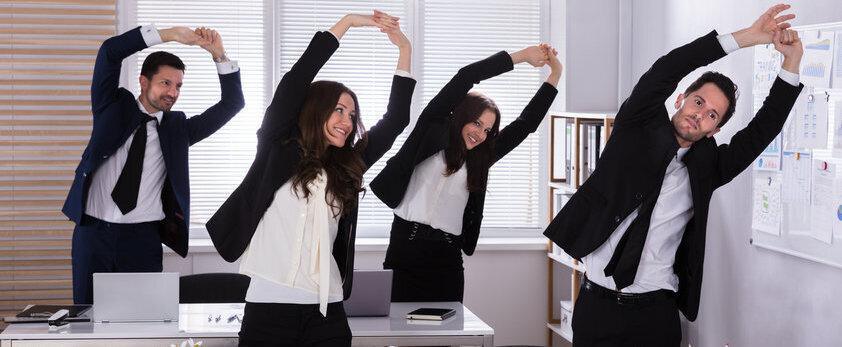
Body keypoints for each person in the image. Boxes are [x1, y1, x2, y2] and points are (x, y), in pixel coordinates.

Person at [543, 4, 804, 346]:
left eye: (712, 115)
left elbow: (762, 129)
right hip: (597, 307)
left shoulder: (708, 169)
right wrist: (745, 39)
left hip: (655, 315)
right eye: (698, 102)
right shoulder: (635, 127)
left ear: (714, 130)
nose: (700, 115)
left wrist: (792, 63)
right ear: (680, 98)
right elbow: (669, 67)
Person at [206, 10, 414, 346]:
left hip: (326, 313)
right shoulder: (276, 147)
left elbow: (396, 120)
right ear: (316, 109)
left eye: (352, 114)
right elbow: (296, 79)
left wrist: (404, 49)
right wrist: (346, 22)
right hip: (268, 310)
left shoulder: (348, 164)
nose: (347, 121)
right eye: (338, 110)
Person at [63, 25, 244, 304]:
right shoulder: (111, 106)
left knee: (143, 318)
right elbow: (109, 53)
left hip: (142, 239)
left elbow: (232, 104)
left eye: (178, 86)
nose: (173, 92)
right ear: (144, 82)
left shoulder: (178, 130)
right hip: (94, 235)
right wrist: (169, 34)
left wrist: (219, 55)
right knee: (88, 317)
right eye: (166, 83)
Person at [370, 42, 562, 302]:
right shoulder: (430, 129)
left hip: (447, 258)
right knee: (397, 331)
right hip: (405, 248)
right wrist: (522, 57)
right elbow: (466, 76)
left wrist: (555, 75)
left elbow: (524, 125)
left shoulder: (481, 158)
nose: (480, 134)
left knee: (447, 335)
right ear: (461, 116)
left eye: (487, 130)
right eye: (477, 123)